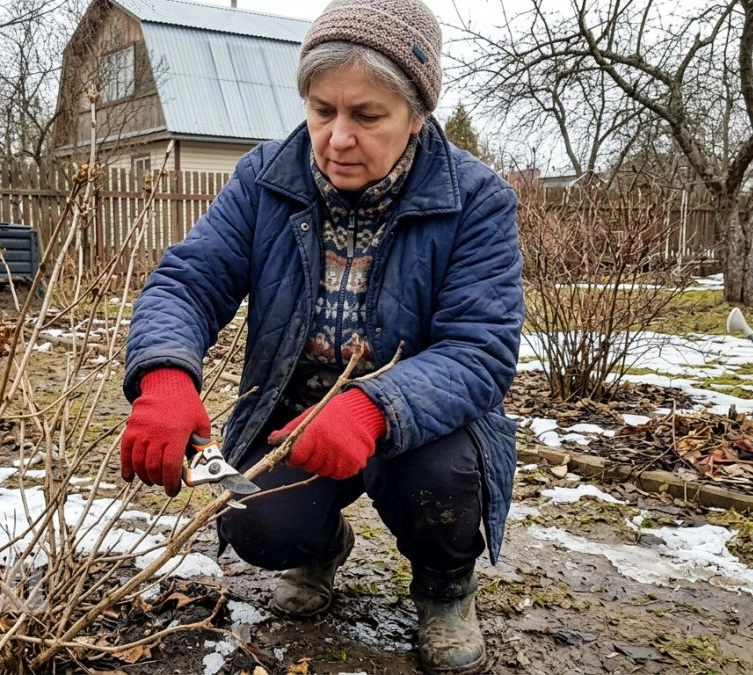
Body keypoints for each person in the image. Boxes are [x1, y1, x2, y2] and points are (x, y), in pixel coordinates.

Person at [119, 0, 523, 672]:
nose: (337, 138)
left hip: (418, 424)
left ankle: (445, 585)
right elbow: (187, 282)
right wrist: (165, 377)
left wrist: (371, 407)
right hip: (294, 416)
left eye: (367, 116)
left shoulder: (475, 200)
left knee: (442, 484)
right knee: (256, 521)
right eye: (322, 110)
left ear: (417, 116)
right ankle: (319, 546)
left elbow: (479, 349)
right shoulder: (265, 180)